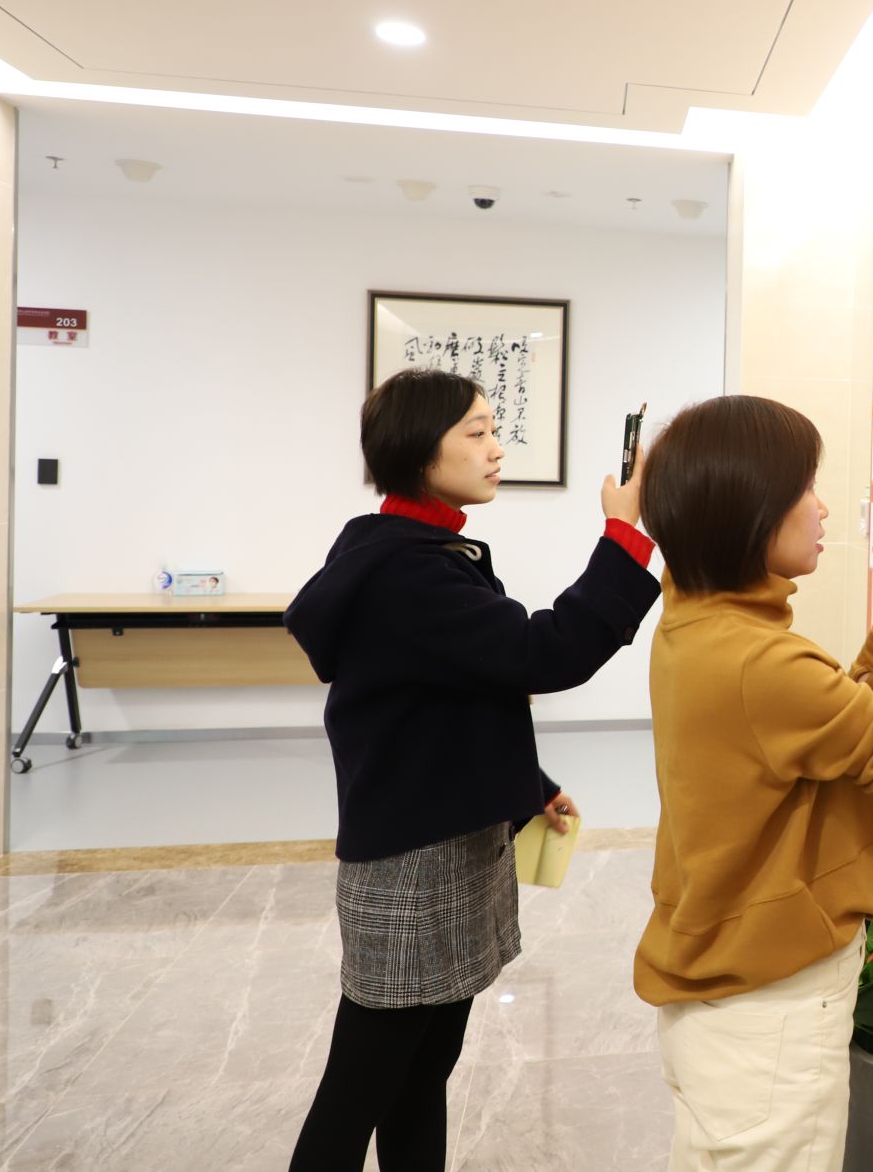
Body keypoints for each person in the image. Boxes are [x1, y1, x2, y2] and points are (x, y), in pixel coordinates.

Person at [284, 367, 661, 1171]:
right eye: (478, 433)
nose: (497, 449)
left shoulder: (415, 548)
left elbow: (454, 698)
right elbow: (540, 653)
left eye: (494, 430)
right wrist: (624, 538)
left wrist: (529, 789)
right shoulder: (408, 571)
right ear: (422, 451)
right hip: (413, 866)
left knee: (421, 1075)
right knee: (358, 1092)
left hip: (447, 843)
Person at [634, 394, 873, 1172]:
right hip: (769, 1028)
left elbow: (830, 724)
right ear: (752, 512)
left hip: (727, 1012)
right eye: (804, 489)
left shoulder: (694, 617)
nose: (822, 507)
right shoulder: (762, 662)